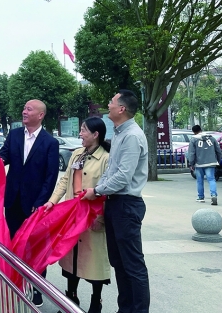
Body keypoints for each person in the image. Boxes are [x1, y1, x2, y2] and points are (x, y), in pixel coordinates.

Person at [83, 90, 149, 313]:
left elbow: (123, 176)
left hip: (126, 205)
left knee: (132, 265)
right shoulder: (120, 134)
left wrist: (96, 190)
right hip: (114, 204)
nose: (108, 105)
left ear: (121, 108)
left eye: (111, 102)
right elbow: (111, 171)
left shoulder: (132, 136)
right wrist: (98, 190)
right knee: (119, 263)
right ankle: (125, 308)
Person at [44, 117, 111, 313]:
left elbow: (108, 191)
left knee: (94, 263)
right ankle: (71, 298)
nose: (80, 134)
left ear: (96, 134)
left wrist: (101, 218)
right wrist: (52, 201)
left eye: (84, 130)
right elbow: (65, 180)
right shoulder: (77, 155)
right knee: (71, 260)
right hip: (73, 215)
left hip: (92, 218)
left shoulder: (106, 158)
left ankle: (96, 301)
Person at [0, 99, 59, 307]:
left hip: (35, 205)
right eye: (24, 108)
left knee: (35, 247)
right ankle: (14, 283)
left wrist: (40, 202)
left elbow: (50, 177)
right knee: (13, 244)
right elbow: (2, 158)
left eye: (29, 109)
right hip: (13, 201)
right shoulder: (14, 135)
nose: (24, 111)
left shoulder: (50, 143)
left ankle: (36, 288)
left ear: (40, 115)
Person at [188, 125, 222, 205]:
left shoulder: (193, 140)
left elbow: (191, 153)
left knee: (200, 181)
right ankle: (213, 195)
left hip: (199, 163)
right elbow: (218, 150)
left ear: (194, 132)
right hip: (211, 162)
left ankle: (201, 197)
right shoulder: (211, 138)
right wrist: (217, 160)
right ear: (201, 129)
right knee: (211, 179)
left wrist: (191, 163)